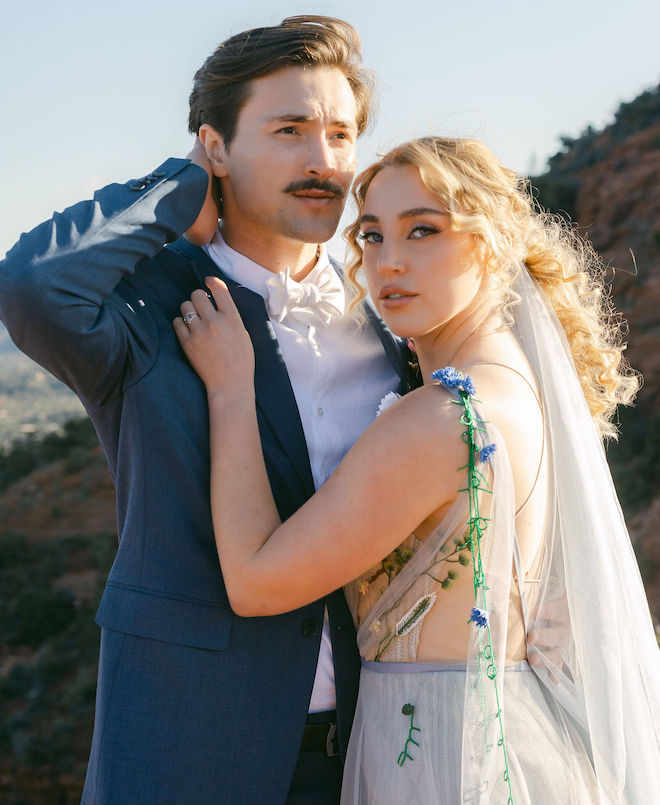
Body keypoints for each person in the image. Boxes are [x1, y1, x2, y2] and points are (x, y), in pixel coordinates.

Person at [0, 16, 415, 804]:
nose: (322, 159)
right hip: (186, 745)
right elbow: (29, 286)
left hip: (369, 752)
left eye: (339, 133)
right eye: (289, 129)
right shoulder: (148, 308)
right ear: (215, 147)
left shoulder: (391, 322)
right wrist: (175, 192)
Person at [175, 136, 660, 803]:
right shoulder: (520, 388)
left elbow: (258, 583)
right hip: (514, 737)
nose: (388, 262)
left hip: (439, 760)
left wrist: (231, 387)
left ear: (490, 243)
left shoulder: (439, 418)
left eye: (423, 230)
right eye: (371, 236)